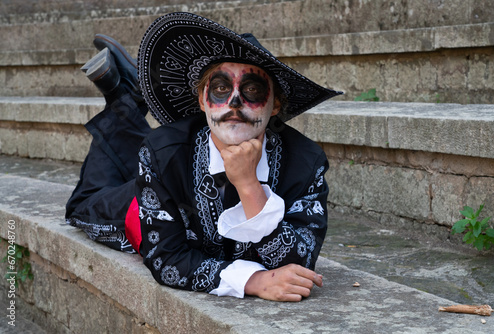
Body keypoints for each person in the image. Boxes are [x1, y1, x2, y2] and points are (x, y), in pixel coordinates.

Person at [66, 12, 342, 302]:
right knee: (84, 204)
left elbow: (299, 260)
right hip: (149, 208)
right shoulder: (161, 153)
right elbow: (166, 260)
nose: (235, 102)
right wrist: (253, 281)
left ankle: (128, 99)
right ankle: (123, 101)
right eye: (221, 88)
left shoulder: (306, 163)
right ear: (202, 99)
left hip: (171, 166)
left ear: (275, 105)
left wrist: (249, 186)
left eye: (252, 89)